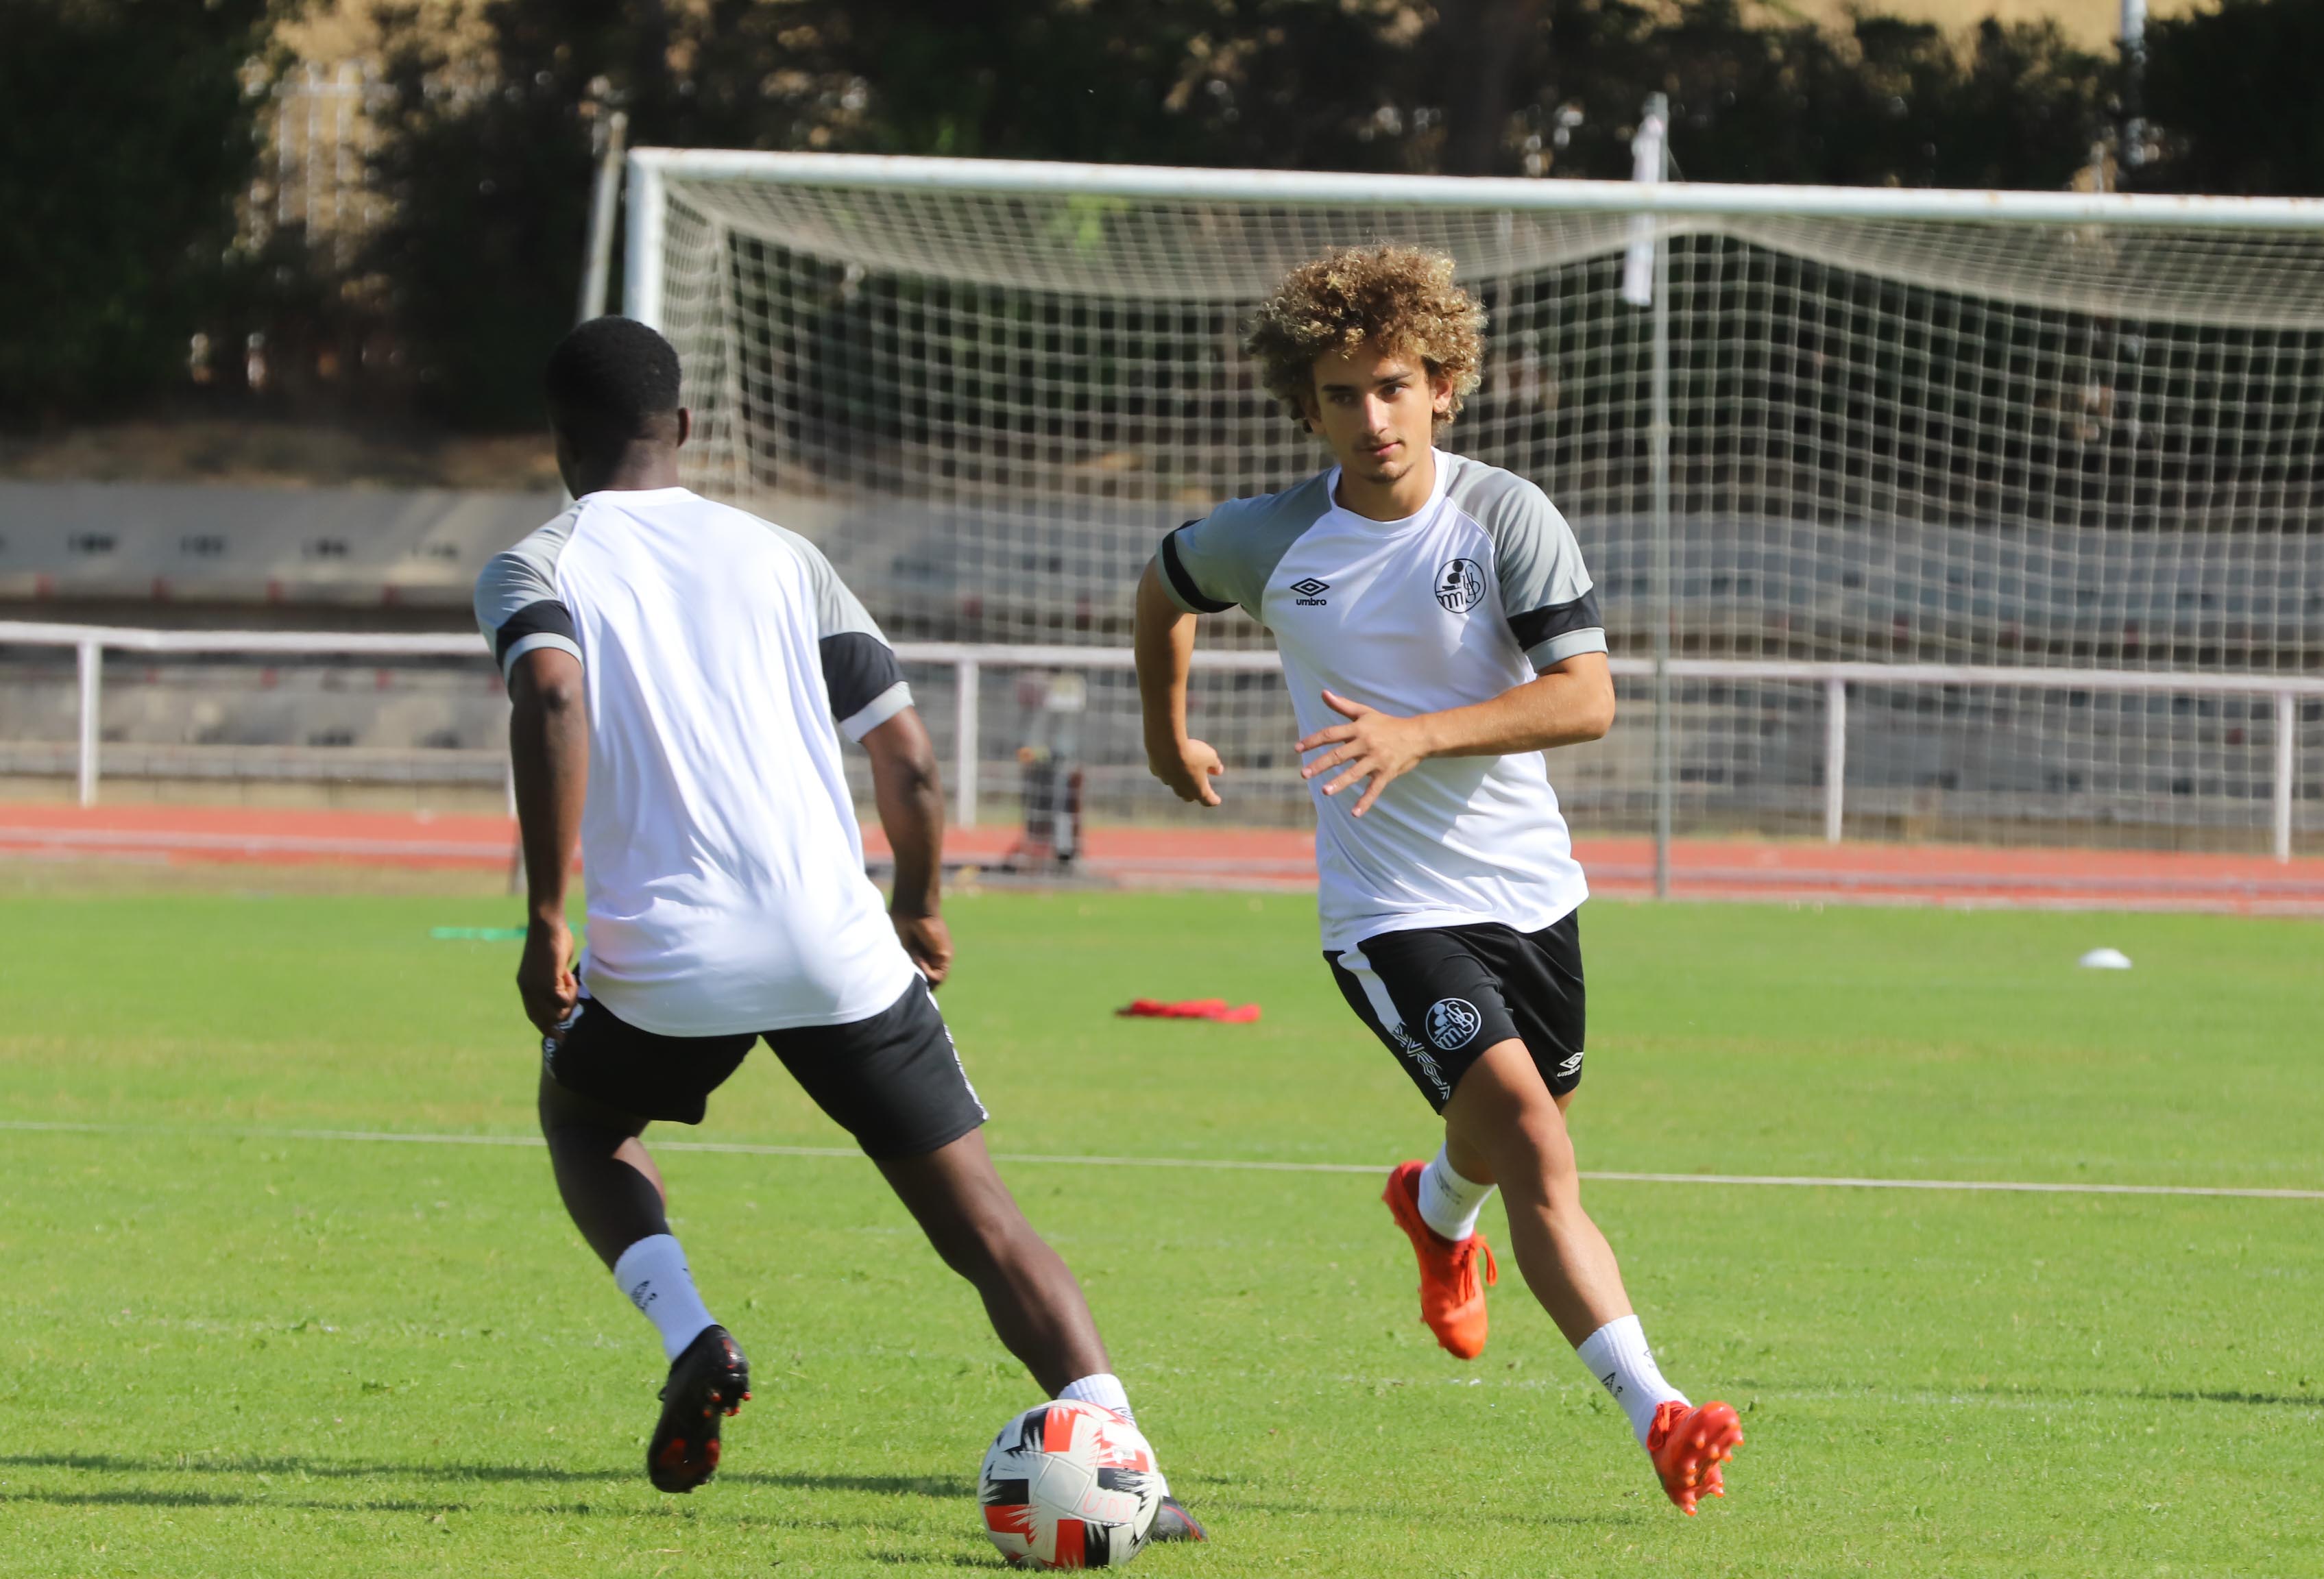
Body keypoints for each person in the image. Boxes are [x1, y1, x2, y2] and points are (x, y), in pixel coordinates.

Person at [480, 315, 1202, 1539]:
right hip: (836, 946)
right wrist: (917, 897)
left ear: (557, 439)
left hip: (666, 961)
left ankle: (691, 1332)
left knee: (586, 1118)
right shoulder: (784, 554)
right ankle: (1139, 1469)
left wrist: (548, 911)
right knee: (979, 1217)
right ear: (689, 429)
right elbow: (908, 761)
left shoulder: (537, 562)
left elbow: (552, 692)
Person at [1131, 247, 1743, 1515]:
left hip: (1532, 890)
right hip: (1388, 914)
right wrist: (1163, 730)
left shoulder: (1506, 515)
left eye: (1395, 387)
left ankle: (1432, 1206)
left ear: (1446, 388)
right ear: (1307, 407)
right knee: (1533, 1137)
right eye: (1343, 394)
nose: (1373, 418)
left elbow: (1587, 700)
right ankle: (1659, 1414)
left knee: (1523, 1125)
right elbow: (1164, 585)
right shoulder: (1272, 537)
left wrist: (1418, 733)